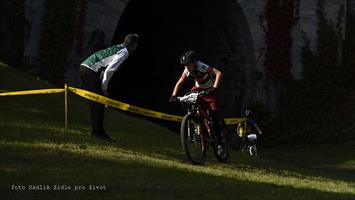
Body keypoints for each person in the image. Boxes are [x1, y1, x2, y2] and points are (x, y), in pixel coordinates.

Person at [79, 34, 139, 141]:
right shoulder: (124, 52)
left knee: (96, 102)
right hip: (90, 70)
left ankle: (96, 131)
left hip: (85, 67)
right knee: (99, 102)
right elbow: (110, 70)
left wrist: (102, 87)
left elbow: (104, 65)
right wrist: (104, 88)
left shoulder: (119, 47)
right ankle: (98, 132)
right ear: (134, 45)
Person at [169, 51, 224, 153]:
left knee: (213, 113)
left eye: (188, 65)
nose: (187, 68)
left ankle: (220, 144)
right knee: (189, 101)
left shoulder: (201, 66)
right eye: (185, 66)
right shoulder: (186, 70)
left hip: (209, 90)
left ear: (194, 62)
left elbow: (218, 73)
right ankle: (198, 124)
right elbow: (179, 83)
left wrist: (214, 88)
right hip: (198, 89)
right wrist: (173, 95)